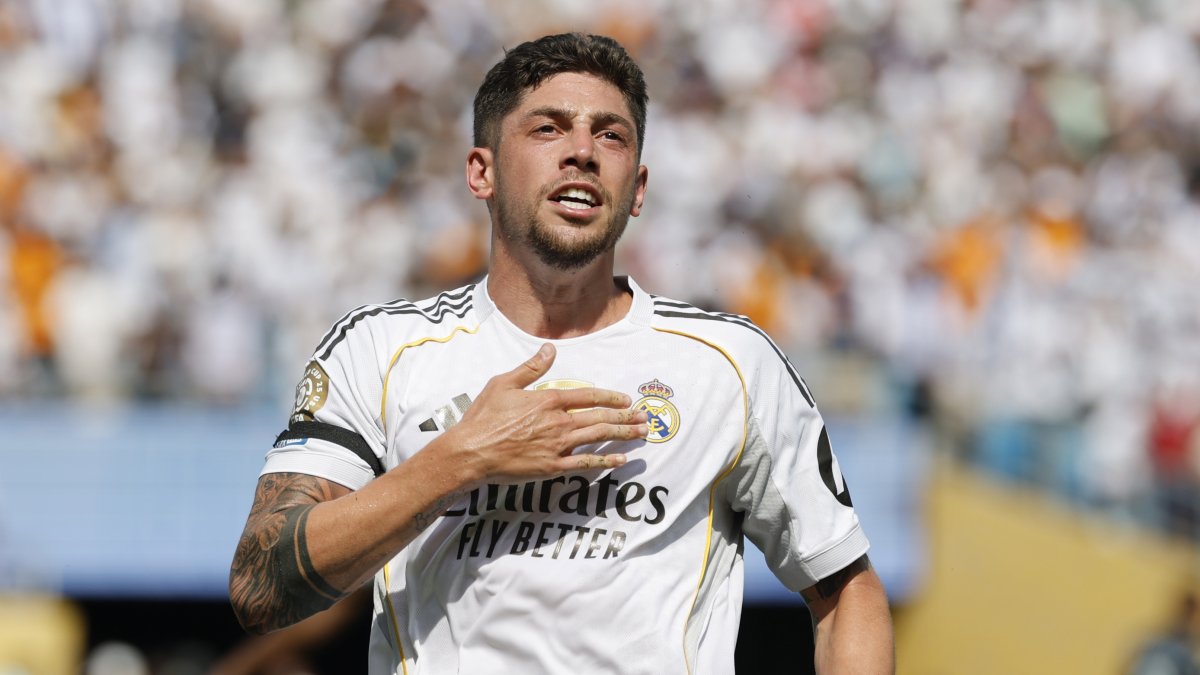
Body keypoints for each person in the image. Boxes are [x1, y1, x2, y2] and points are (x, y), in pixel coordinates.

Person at [228, 32, 894, 674]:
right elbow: (262, 582)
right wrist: (462, 459)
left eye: (610, 134)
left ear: (636, 187)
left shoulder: (730, 364)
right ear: (480, 170)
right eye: (547, 128)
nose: (582, 151)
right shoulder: (381, 350)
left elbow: (846, 589)